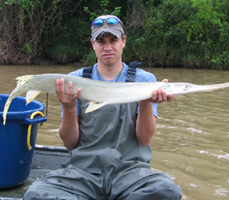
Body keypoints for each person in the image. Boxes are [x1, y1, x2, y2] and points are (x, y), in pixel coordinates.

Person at [24, 15, 182, 200]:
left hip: (130, 173)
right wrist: (68, 107)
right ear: (93, 44)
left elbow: (144, 139)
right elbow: (69, 143)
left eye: (113, 40)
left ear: (123, 41)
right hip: (83, 173)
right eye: (101, 41)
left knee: (167, 191)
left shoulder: (145, 80)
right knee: (35, 195)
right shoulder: (73, 80)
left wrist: (146, 101)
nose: (107, 47)